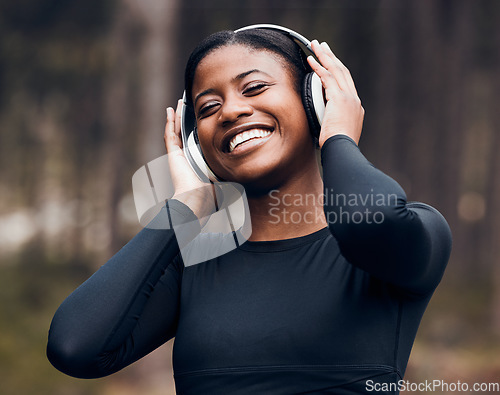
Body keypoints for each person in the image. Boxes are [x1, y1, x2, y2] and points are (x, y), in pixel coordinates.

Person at [47, 26, 452, 394]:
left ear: (315, 101)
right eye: (207, 108)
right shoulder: (195, 267)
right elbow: (74, 346)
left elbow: (365, 221)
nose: (230, 112)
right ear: (195, 145)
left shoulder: (409, 236)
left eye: (254, 87)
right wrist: (186, 207)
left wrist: (339, 137)